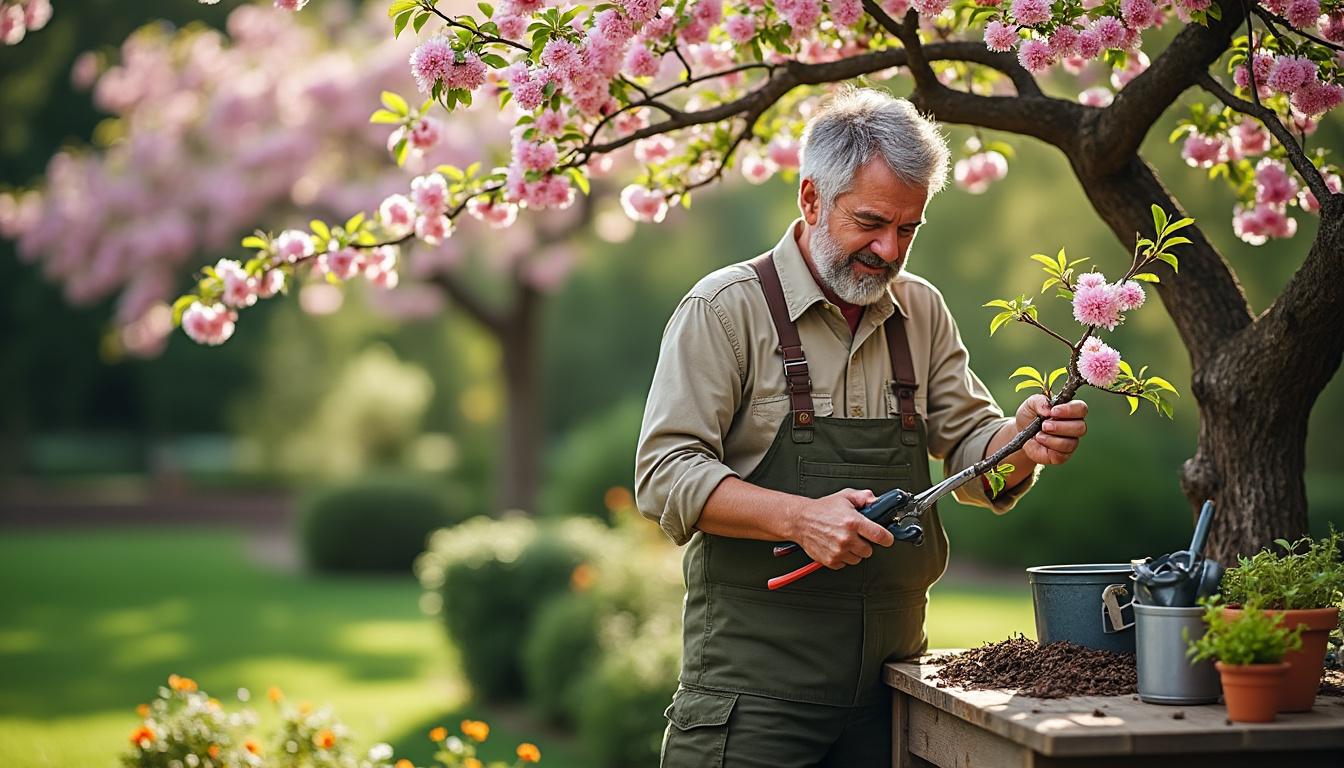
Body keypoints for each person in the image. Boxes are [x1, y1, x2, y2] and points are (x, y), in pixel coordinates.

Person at [634, 87, 1090, 767]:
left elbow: (972, 455)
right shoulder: (724, 310)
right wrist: (799, 518)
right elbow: (665, 474)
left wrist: (1023, 444)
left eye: (909, 229)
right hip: (755, 701)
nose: (889, 249)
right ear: (812, 199)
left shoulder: (921, 312)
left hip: (893, 697)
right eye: (871, 222)